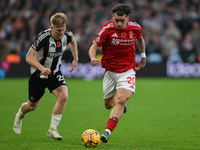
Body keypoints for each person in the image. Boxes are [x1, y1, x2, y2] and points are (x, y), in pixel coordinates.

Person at [13, 13, 78, 140]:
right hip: (38, 75)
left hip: (54, 72)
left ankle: (52, 129)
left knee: (63, 96)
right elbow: (29, 57)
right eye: (59, 30)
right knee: (32, 106)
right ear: (52, 27)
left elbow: (73, 41)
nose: (62, 33)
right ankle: (20, 115)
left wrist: (75, 59)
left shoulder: (67, 34)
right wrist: (42, 69)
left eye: (64, 29)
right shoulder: (43, 37)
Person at [88, 4, 146, 143]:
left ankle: (107, 132)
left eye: (122, 20)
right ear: (113, 17)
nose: (119, 23)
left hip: (127, 70)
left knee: (121, 99)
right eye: (116, 20)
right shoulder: (106, 29)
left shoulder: (136, 28)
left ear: (127, 18)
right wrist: (93, 58)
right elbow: (93, 47)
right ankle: (120, 104)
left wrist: (143, 56)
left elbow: (140, 39)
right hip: (110, 71)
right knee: (108, 105)